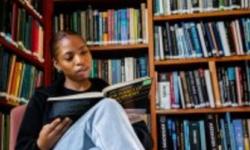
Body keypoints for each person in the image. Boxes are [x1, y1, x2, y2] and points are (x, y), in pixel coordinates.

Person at [16, 31, 152, 150]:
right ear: (57, 64)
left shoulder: (107, 90)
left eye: (84, 52)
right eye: (69, 57)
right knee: (108, 105)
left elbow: (147, 142)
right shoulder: (43, 97)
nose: (80, 61)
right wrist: (40, 145)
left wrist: (124, 127)